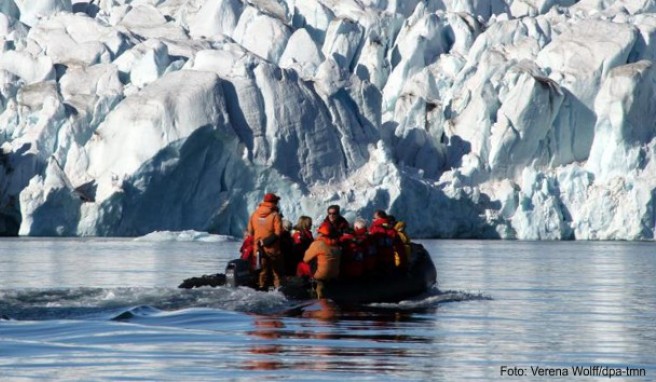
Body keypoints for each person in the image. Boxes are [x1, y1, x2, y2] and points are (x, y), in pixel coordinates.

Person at [247, 193, 284, 289]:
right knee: (276, 273)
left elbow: (250, 232)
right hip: (273, 249)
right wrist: (267, 241)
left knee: (262, 272)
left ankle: (262, 289)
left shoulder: (254, 214)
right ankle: (278, 291)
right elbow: (278, 232)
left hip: (259, 249)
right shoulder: (275, 215)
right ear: (274, 202)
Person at [303, 222, 341, 298]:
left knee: (301, 266)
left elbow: (305, 259)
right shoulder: (336, 244)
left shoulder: (318, 244)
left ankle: (308, 288)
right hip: (335, 274)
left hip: (320, 275)